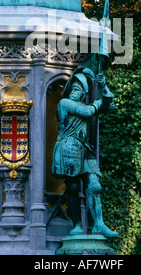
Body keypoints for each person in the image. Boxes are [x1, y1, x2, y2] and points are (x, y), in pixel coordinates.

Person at [51, 68, 119, 238]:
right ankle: (76, 225)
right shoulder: (64, 103)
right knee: (73, 187)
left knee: (95, 186)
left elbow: (110, 105)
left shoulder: (86, 105)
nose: (74, 91)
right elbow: (88, 112)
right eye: (73, 88)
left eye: (78, 89)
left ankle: (99, 225)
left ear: (83, 93)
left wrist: (103, 86)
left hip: (84, 148)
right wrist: (96, 103)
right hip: (69, 146)